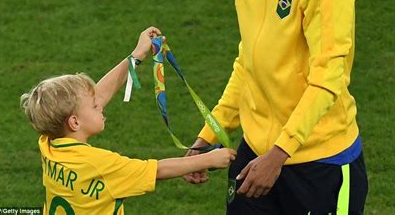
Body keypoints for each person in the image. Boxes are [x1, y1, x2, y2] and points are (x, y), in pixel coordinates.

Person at [184, 0, 368, 214]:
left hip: (318, 164)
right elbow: (248, 65)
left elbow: (329, 79)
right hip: (256, 156)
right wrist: (207, 137)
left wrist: (279, 154)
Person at [21, 26, 236, 215]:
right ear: (75, 123)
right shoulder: (98, 164)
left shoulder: (49, 142)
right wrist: (209, 159)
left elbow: (100, 94)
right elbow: (157, 170)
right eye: (95, 106)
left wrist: (136, 56)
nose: (100, 104)